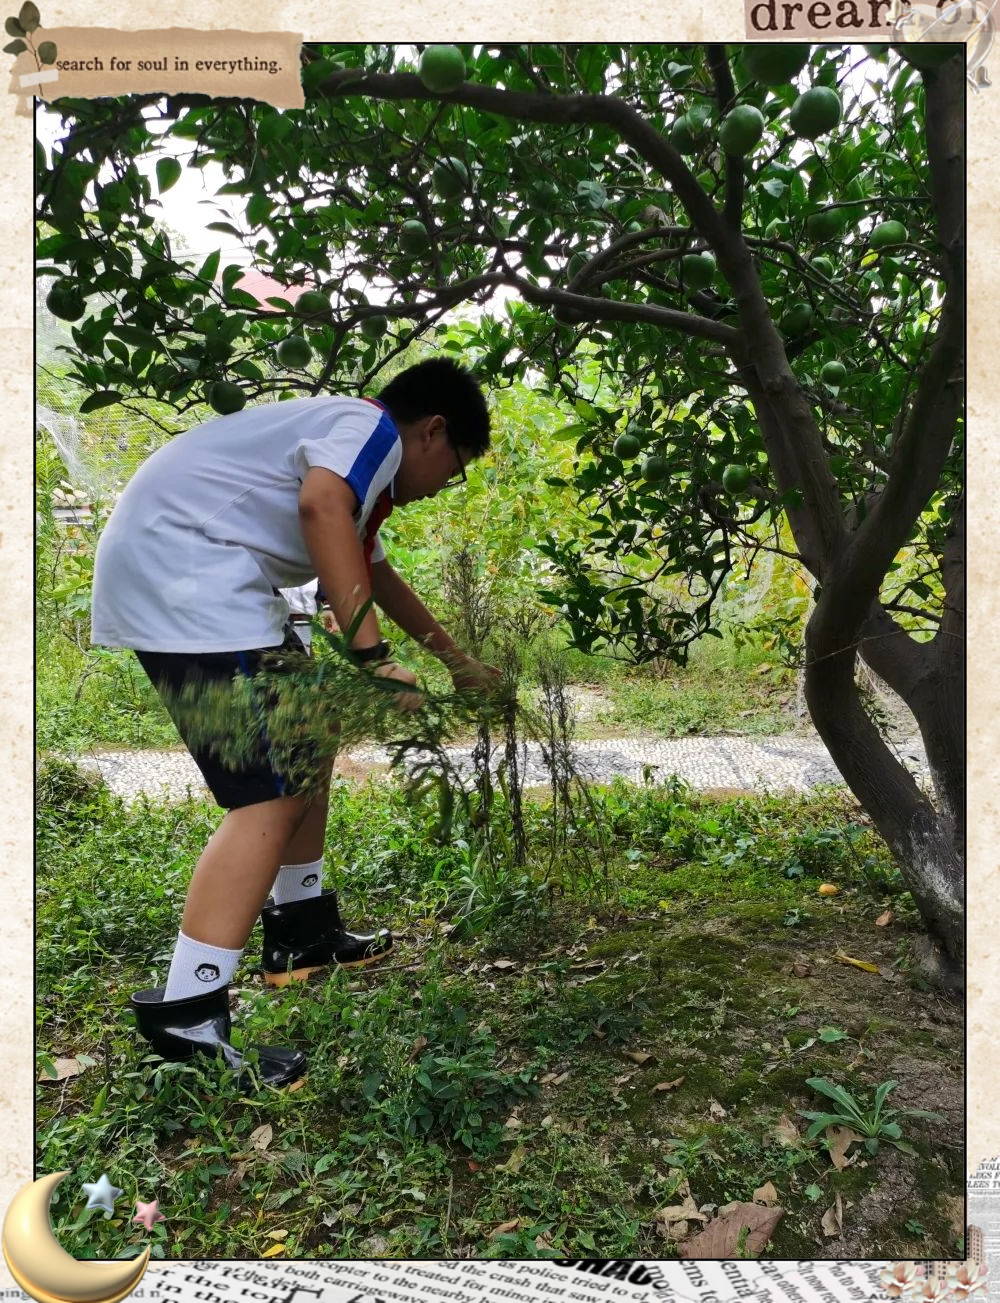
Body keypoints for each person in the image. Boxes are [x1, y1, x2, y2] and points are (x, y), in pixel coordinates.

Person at [90, 357, 500, 1089]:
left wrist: (456, 660)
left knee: (310, 726)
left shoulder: (356, 468)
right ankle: (190, 1009)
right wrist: (372, 660)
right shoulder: (368, 428)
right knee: (267, 794)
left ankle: (302, 929)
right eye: (456, 468)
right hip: (187, 575)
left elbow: (366, 567)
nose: (443, 487)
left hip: (199, 572)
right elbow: (319, 509)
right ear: (433, 431)